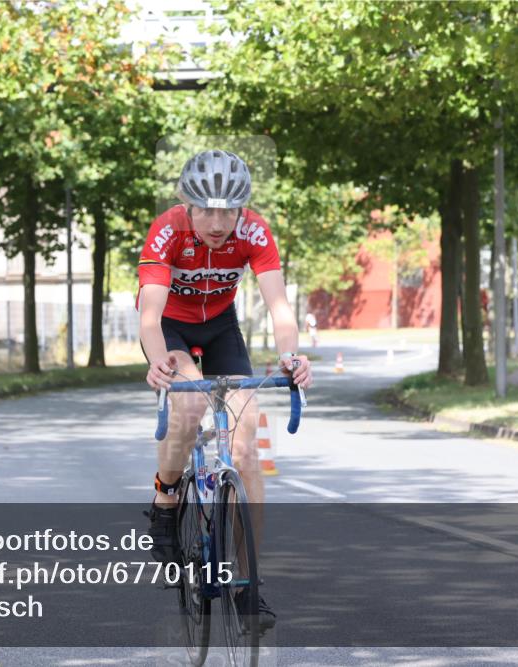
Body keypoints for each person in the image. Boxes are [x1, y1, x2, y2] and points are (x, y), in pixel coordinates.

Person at [136, 149, 313, 630]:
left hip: (220, 327)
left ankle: (247, 584)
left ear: (242, 209)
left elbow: (279, 306)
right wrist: (158, 363)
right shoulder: (167, 230)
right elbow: (149, 316)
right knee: (190, 402)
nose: (218, 223)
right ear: (188, 206)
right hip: (170, 328)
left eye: (229, 211)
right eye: (206, 211)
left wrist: (291, 356)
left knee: (247, 443)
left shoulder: (254, 232)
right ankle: (166, 499)